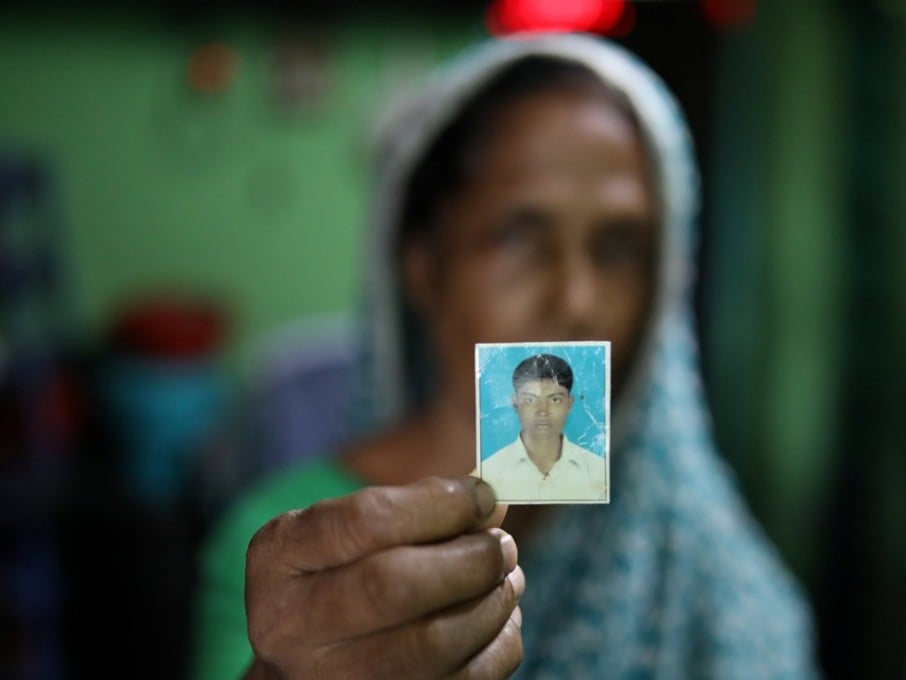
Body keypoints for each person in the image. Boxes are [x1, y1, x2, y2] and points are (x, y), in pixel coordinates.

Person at [192, 33, 817, 679]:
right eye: (519, 237)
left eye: (618, 248)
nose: (576, 299)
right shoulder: (298, 554)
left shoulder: (711, 577)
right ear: (422, 264)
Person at [482, 353, 607, 502]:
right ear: (515, 403)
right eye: (530, 399)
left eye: (555, 400)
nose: (542, 411)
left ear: (569, 403)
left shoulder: (599, 472)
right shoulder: (489, 473)